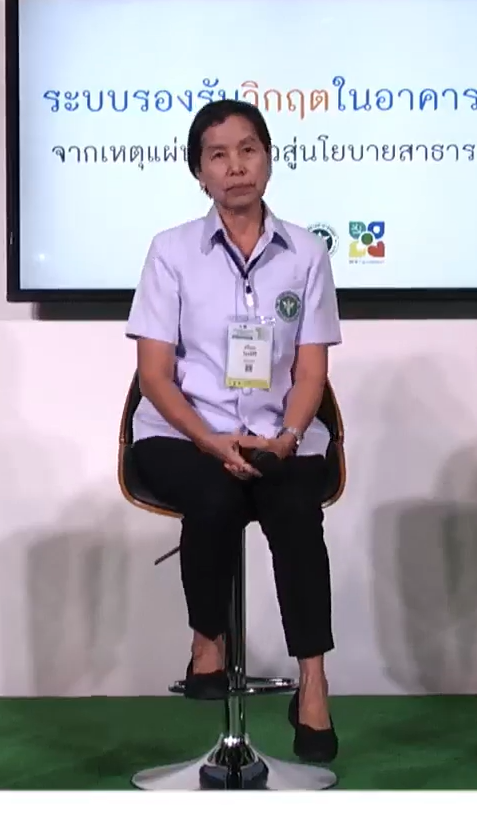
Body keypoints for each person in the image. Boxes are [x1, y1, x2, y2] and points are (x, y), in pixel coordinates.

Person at [124, 99, 343, 764]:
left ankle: (313, 682)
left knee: (294, 507)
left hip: (278, 434)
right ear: (199, 172)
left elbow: (310, 371)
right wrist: (209, 440)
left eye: (248, 150)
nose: (236, 166)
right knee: (214, 497)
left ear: (269, 159)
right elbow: (154, 375)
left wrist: (288, 436)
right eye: (217, 155)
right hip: (183, 434)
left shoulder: (306, 252)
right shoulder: (170, 251)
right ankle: (208, 639)